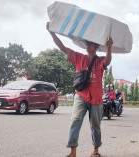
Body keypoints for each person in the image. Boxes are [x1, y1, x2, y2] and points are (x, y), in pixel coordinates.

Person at [47, 22, 113, 157]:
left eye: (91, 44)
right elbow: (62, 48)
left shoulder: (100, 60)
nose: (88, 46)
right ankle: (73, 151)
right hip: (81, 96)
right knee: (75, 120)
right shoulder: (79, 58)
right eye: (87, 44)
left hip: (96, 99)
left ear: (96, 47)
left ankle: (95, 149)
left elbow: (107, 62)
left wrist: (109, 48)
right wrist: (51, 32)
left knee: (95, 125)